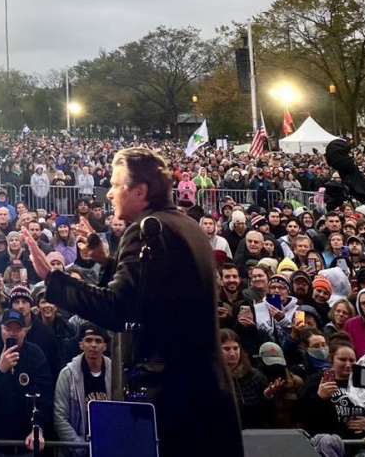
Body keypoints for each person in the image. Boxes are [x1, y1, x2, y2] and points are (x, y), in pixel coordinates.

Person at [32, 148, 242, 457]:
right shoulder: (185, 226)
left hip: (172, 401)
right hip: (204, 393)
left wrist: (53, 281)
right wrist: (106, 261)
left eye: (117, 185)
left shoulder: (147, 230)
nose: (111, 193)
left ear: (140, 191)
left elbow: (119, 308)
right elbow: (149, 293)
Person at [0, 309, 53, 454]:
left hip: (24, 443)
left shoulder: (35, 354)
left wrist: (38, 428)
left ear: (25, 331)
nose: (12, 333)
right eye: (8, 329)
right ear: (1, 329)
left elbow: (45, 395)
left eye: (18, 329)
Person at [54, 322, 112, 450]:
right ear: (81, 345)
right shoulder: (67, 375)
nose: (93, 345)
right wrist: (79, 447)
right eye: (89, 340)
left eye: (98, 341)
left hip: (108, 445)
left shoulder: (115, 373)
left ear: (105, 346)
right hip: (78, 447)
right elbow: (60, 417)